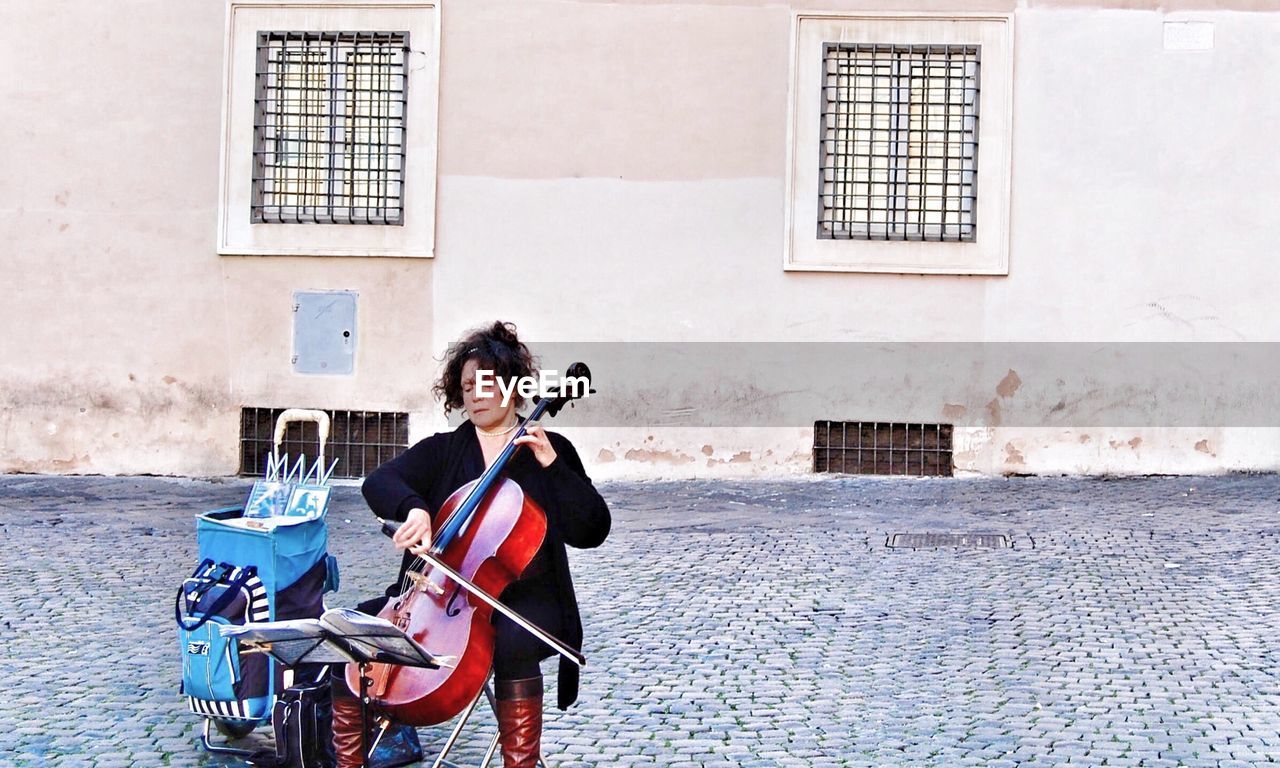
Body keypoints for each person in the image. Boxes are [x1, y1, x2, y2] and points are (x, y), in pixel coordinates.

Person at [330, 321, 611, 768]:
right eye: (466, 387)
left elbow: (592, 530)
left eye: (485, 384)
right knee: (354, 632)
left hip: (528, 599)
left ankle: (520, 763)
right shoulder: (444, 449)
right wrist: (414, 509)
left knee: (513, 640)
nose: (475, 396)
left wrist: (553, 467)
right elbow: (380, 481)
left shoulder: (550, 449)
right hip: (439, 594)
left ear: (513, 386)